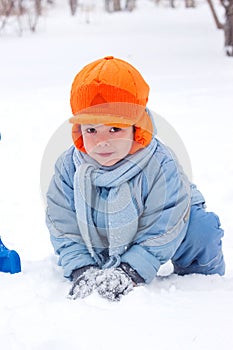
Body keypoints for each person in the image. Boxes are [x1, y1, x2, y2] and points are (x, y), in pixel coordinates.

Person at [46, 56, 225, 302]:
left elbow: (164, 224)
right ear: (79, 130)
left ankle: (202, 286)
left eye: (115, 129)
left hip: (169, 227)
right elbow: (62, 223)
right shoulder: (70, 166)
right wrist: (81, 268)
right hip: (105, 228)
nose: (102, 141)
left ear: (135, 127)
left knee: (200, 228)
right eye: (91, 130)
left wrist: (130, 271)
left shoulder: (159, 164)